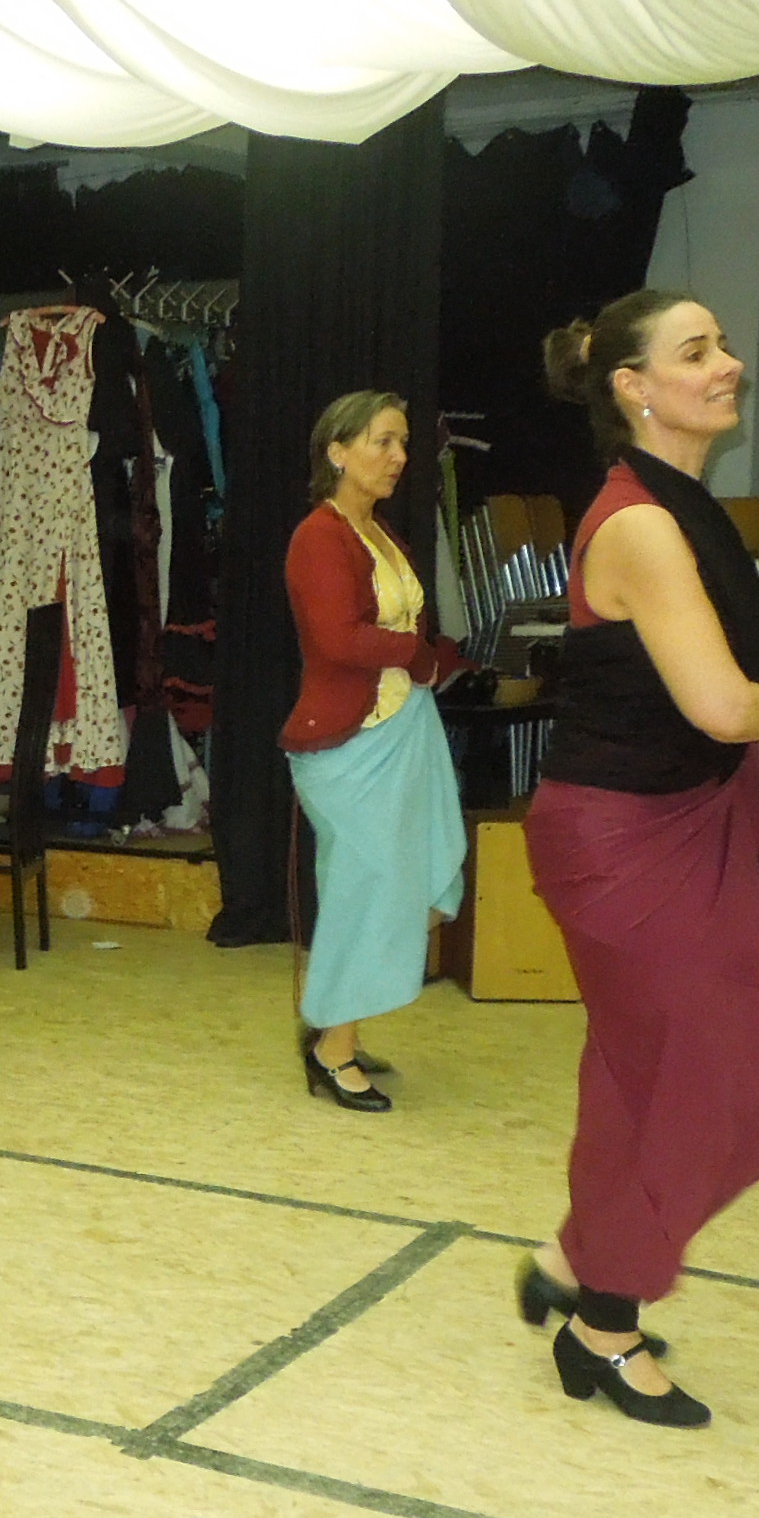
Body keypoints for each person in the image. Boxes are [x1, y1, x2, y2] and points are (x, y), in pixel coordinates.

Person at [517, 290, 759, 1430]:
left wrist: (753, 705)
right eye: (697, 351)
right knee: (709, 1094)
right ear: (633, 387)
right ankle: (603, 1323)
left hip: (690, 819)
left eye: (723, 344)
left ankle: (584, 1260)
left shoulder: (686, 505)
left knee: (689, 1085)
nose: (728, 363)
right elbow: (727, 705)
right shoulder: (639, 523)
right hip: (624, 841)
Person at [280, 391, 466, 1112]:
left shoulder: (378, 533)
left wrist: (434, 659)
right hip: (348, 745)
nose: (399, 457)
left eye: (403, 443)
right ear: (337, 451)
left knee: (399, 883)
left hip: (401, 732)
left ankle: (340, 1028)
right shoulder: (319, 537)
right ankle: (331, 1050)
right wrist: (419, 657)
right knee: (367, 891)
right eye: (383, 441)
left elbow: (393, 628)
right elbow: (338, 638)